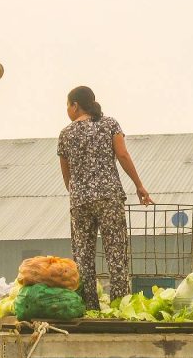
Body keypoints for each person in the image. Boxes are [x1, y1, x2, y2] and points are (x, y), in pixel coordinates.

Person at [58, 85, 153, 310]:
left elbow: (66, 174)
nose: (67, 111)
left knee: (83, 257)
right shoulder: (110, 124)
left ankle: (89, 308)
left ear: (75, 105)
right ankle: (120, 306)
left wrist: (79, 193)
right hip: (109, 197)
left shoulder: (65, 134)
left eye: (67, 106)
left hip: (80, 201)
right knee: (116, 254)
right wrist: (139, 185)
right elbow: (122, 155)